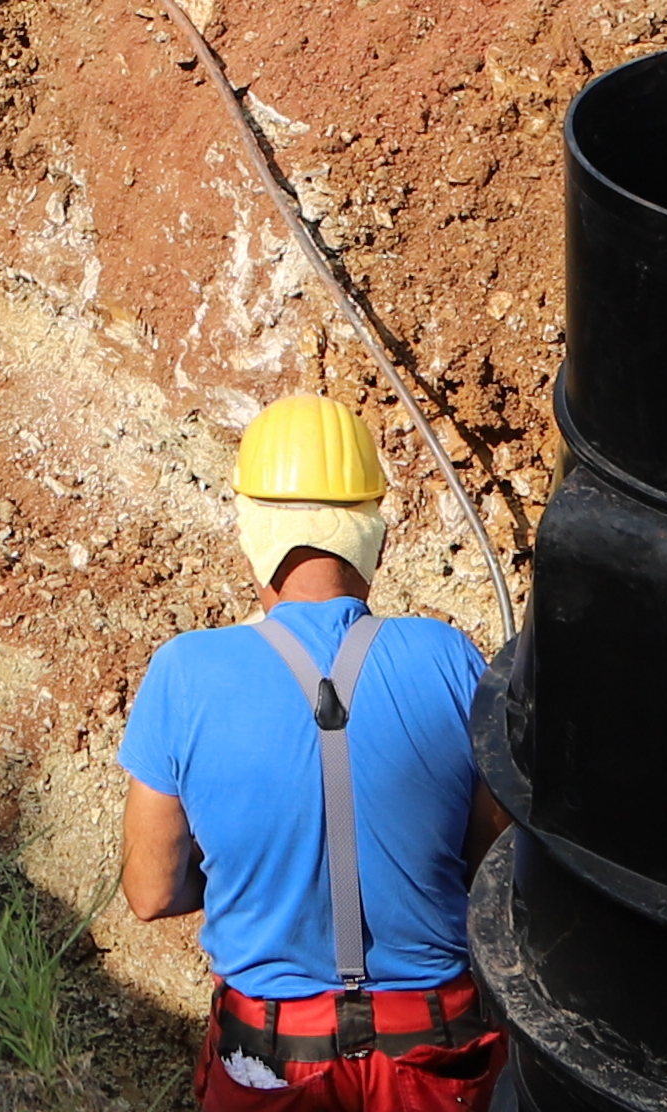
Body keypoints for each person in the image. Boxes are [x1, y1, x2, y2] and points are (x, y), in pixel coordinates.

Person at [119, 396, 506, 1105]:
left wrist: (250, 867)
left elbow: (150, 892)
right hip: (433, 1049)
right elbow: (492, 863)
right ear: (373, 534)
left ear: (251, 532)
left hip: (273, 1056)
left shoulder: (186, 673)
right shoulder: (451, 658)